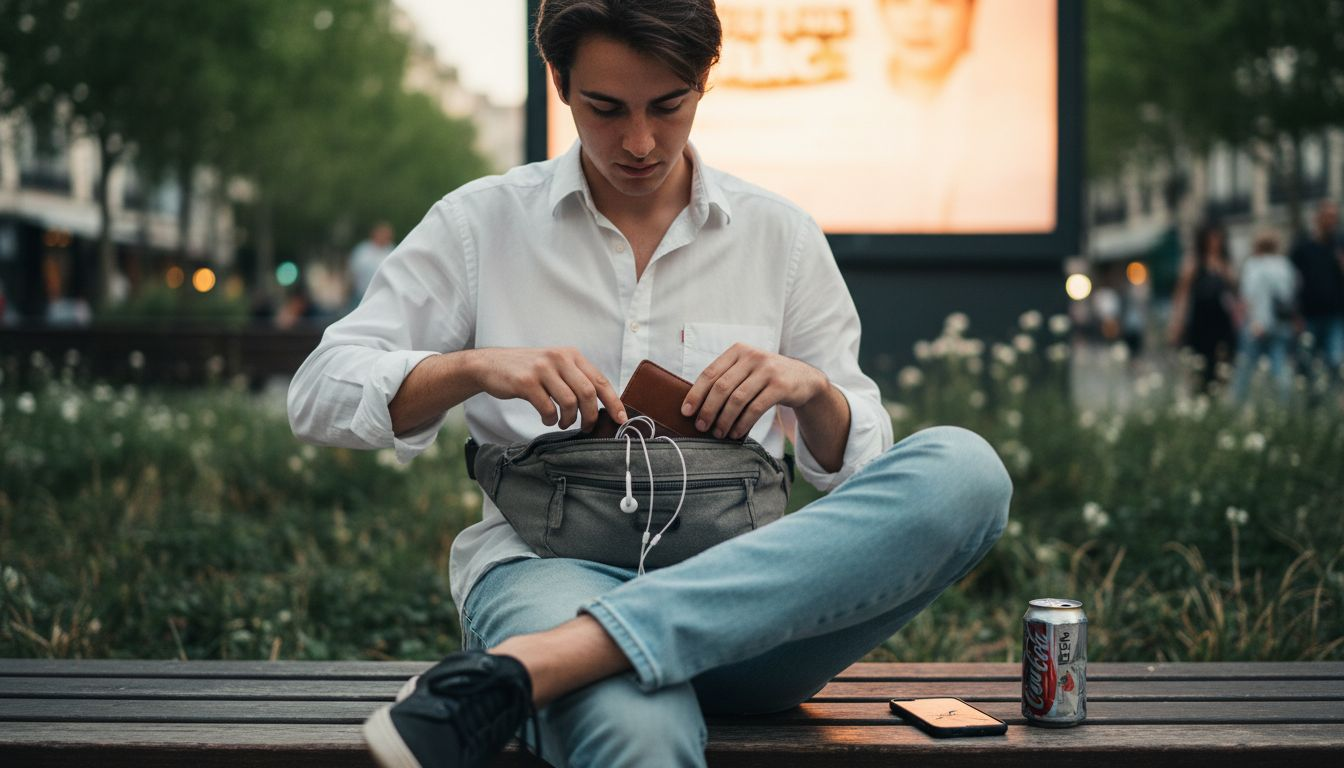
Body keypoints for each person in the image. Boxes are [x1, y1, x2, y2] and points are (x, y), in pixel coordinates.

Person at [287, 2, 1011, 766]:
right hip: (546, 578)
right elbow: (318, 392)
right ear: (560, 84)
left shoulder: (780, 236)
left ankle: (542, 665)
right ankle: (574, 654)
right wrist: (473, 366)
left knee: (966, 472)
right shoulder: (481, 224)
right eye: (606, 109)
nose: (639, 142)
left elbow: (858, 472)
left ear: (703, 82)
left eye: (669, 107)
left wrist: (811, 392)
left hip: (752, 615)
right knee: (636, 725)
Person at [1169, 221, 1238, 394]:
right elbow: (1182, 294)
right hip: (1201, 325)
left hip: (1222, 324)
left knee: (1223, 368)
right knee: (1201, 370)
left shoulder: (1224, 264)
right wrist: (1177, 322)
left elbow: (1235, 291)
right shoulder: (1194, 263)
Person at [1231, 229, 1297, 405]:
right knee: (1280, 367)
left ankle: (1235, 406)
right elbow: (1291, 294)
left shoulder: (1254, 265)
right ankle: (1285, 406)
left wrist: (1253, 321)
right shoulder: (1284, 265)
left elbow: (1248, 296)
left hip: (1257, 325)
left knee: (1245, 369)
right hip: (1280, 325)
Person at [1289, 200, 1344, 379]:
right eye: (1328, 217)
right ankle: (1313, 404)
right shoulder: (1303, 248)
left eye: (1334, 218)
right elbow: (1292, 283)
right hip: (1309, 315)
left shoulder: (1339, 245)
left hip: (1335, 314)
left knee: (1335, 361)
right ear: (1318, 218)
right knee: (1307, 364)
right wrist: (1295, 314)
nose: (1332, 222)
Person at [347, 221, 395, 308]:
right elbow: (352, 271)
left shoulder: (392, 251)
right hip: (360, 295)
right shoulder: (362, 250)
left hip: (382, 297)